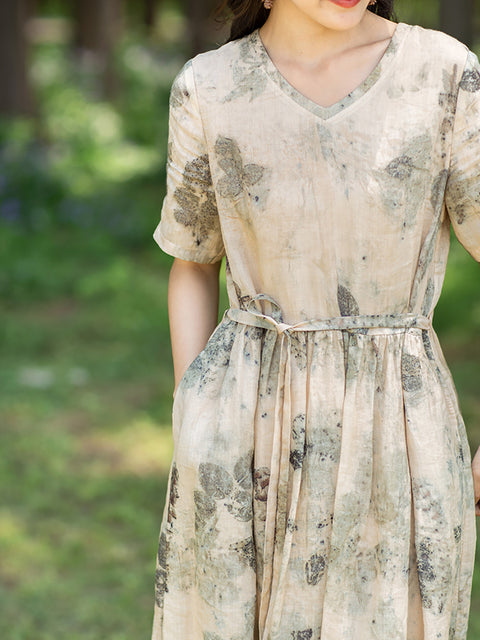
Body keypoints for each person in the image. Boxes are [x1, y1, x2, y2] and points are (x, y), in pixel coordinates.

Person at [151, 0, 480, 638]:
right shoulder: (211, 86)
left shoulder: (442, 74)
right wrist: (191, 416)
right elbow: (192, 261)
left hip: (400, 430)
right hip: (243, 429)